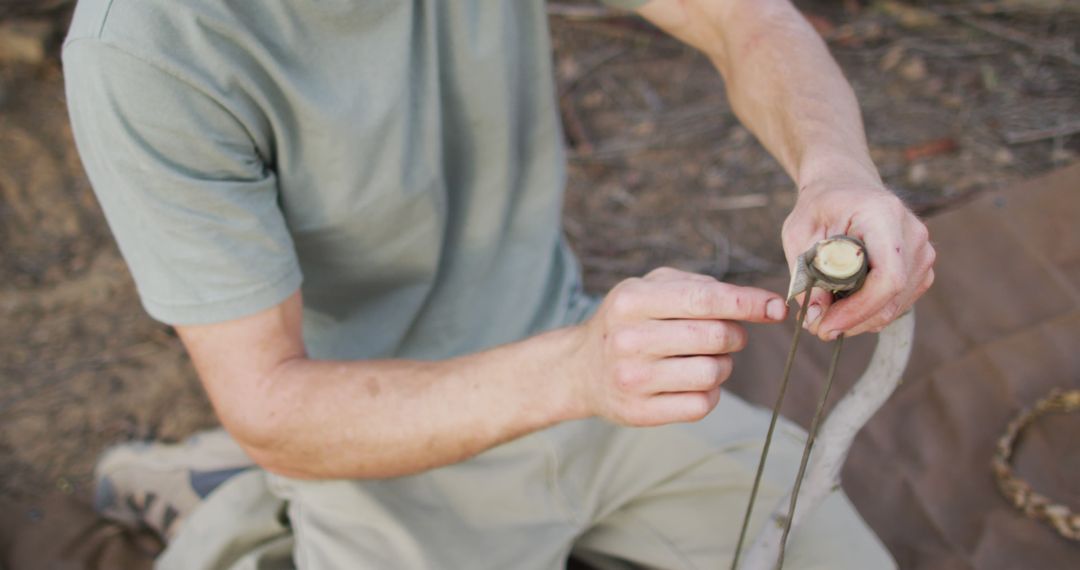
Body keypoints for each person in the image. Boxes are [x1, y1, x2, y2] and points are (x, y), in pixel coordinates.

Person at [62, 0, 934, 568]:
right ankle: (238, 512)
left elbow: (743, 18)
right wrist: (578, 371)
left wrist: (835, 171)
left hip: (570, 358)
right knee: (281, 466)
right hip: (379, 447)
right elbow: (272, 406)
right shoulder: (143, 55)